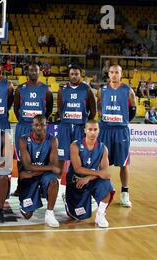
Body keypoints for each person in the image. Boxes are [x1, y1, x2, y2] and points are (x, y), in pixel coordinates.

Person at [98, 64, 136, 207]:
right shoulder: (102, 90)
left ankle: (124, 193)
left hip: (121, 131)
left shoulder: (128, 90)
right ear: (108, 74)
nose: (114, 75)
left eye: (117, 72)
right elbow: (99, 106)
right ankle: (101, 190)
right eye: (112, 72)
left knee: (123, 163)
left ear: (121, 74)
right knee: (101, 162)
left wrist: (123, 120)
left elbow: (132, 109)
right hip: (105, 129)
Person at [64, 120, 115, 228]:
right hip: (75, 181)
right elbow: (77, 168)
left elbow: (105, 173)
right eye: (90, 129)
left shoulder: (103, 148)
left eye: (95, 129)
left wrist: (88, 178)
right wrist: (98, 173)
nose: (93, 132)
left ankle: (100, 215)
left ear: (99, 131)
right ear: (85, 131)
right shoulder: (75, 145)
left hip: (90, 180)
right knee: (78, 216)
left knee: (107, 185)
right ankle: (67, 199)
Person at [13, 63, 53, 196]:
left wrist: (39, 123)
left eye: (35, 70)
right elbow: (16, 109)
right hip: (23, 126)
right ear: (27, 72)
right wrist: (25, 120)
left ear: (39, 71)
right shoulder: (20, 89)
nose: (33, 72)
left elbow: (49, 110)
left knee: (40, 158)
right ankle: (20, 187)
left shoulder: (46, 89)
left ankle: (41, 186)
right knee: (21, 159)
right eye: (31, 70)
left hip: (39, 128)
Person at [18, 115, 61, 227]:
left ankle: (50, 213)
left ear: (47, 125)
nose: (39, 127)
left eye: (42, 124)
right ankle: (25, 200)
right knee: (27, 215)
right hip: (31, 176)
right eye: (36, 124)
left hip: (37, 175)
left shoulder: (52, 140)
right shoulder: (23, 140)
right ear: (32, 126)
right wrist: (50, 168)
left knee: (54, 182)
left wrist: (33, 172)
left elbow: (54, 164)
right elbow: (27, 165)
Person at [57, 65, 97, 165]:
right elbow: (59, 109)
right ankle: (58, 179)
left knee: (80, 156)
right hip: (65, 127)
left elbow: (93, 110)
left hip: (80, 127)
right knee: (61, 156)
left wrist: (85, 121)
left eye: (76, 74)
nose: (74, 76)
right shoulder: (62, 90)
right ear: (69, 75)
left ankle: (78, 178)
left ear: (80, 75)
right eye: (72, 74)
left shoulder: (87, 89)